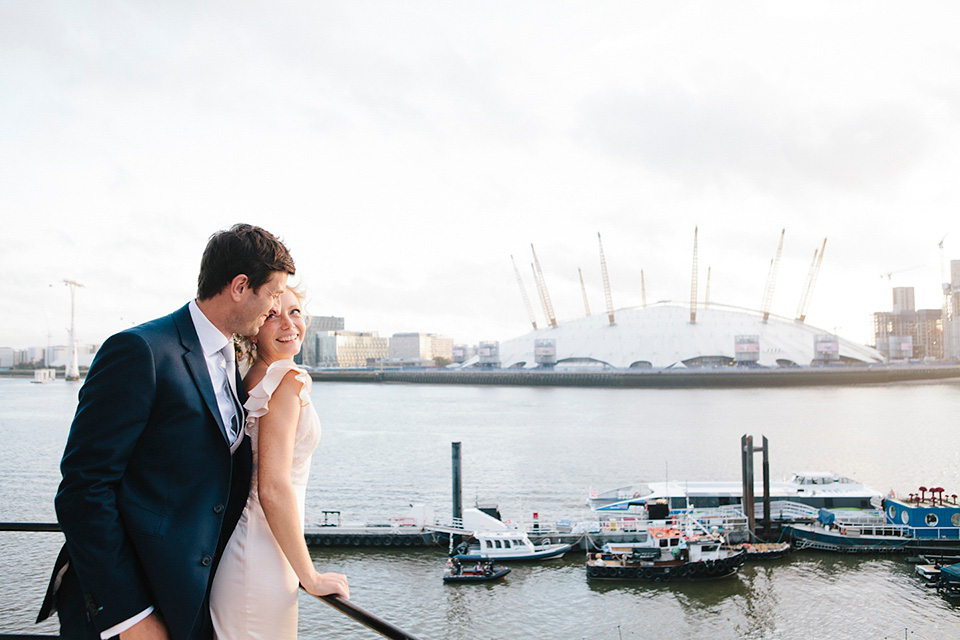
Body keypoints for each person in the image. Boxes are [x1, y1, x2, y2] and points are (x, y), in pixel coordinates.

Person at [37, 224, 295, 640]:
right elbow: (83, 489)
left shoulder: (227, 355)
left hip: (190, 602)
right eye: (272, 295)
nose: (274, 309)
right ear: (240, 286)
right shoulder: (141, 350)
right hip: (128, 611)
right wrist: (130, 616)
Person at [210, 287, 348, 639]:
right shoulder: (286, 380)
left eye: (296, 312)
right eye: (273, 314)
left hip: (250, 550)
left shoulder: (252, 378)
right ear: (254, 326)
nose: (289, 324)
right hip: (263, 560)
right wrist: (311, 576)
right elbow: (272, 486)